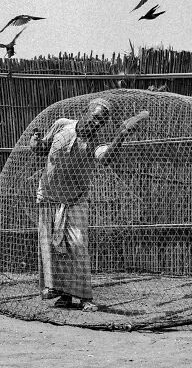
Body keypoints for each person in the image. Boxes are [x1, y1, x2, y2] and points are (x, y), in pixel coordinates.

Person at [29, 98, 149, 311]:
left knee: (77, 245)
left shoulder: (95, 143)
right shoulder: (62, 124)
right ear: (85, 113)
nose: (96, 124)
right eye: (95, 118)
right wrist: (35, 142)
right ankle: (63, 295)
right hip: (48, 195)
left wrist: (121, 135)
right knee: (53, 248)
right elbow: (42, 149)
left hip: (75, 199)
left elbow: (107, 158)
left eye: (101, 122)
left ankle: (84, 297)